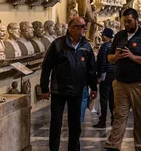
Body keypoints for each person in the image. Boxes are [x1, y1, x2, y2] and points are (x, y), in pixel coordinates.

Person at [40, 17, 98, 151]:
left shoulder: (86, 46)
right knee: (56, 123)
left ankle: (74, 148)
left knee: (75, 124)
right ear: (71, 28)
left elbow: (91, 68)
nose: (84, 29)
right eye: (81, 26)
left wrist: (93, 87)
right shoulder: (58, 44)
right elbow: (47, 67)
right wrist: (44, 88)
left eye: (84, 26)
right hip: (58, 90)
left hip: (77, 90)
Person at [105, 8, 141, 151]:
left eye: (129, 21)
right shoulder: (119, 36)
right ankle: (113, 146)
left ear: (136, 20)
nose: (126, 25)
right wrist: (116, 57)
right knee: (119, 116)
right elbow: (109, 58)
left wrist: (133, 57)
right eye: (124, 22)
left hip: (140, 84)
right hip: (121, 83)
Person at [93, 28, 115, 128]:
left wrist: (99, 75)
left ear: (106, 36)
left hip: (106, 73)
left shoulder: (105, 46)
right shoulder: (113, 45)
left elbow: (102, 62)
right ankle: (113, 119)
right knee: (112, 97)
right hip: (113, 74)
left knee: (104, 98)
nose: (101, 36)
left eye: (103, 35)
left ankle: (103, 120)